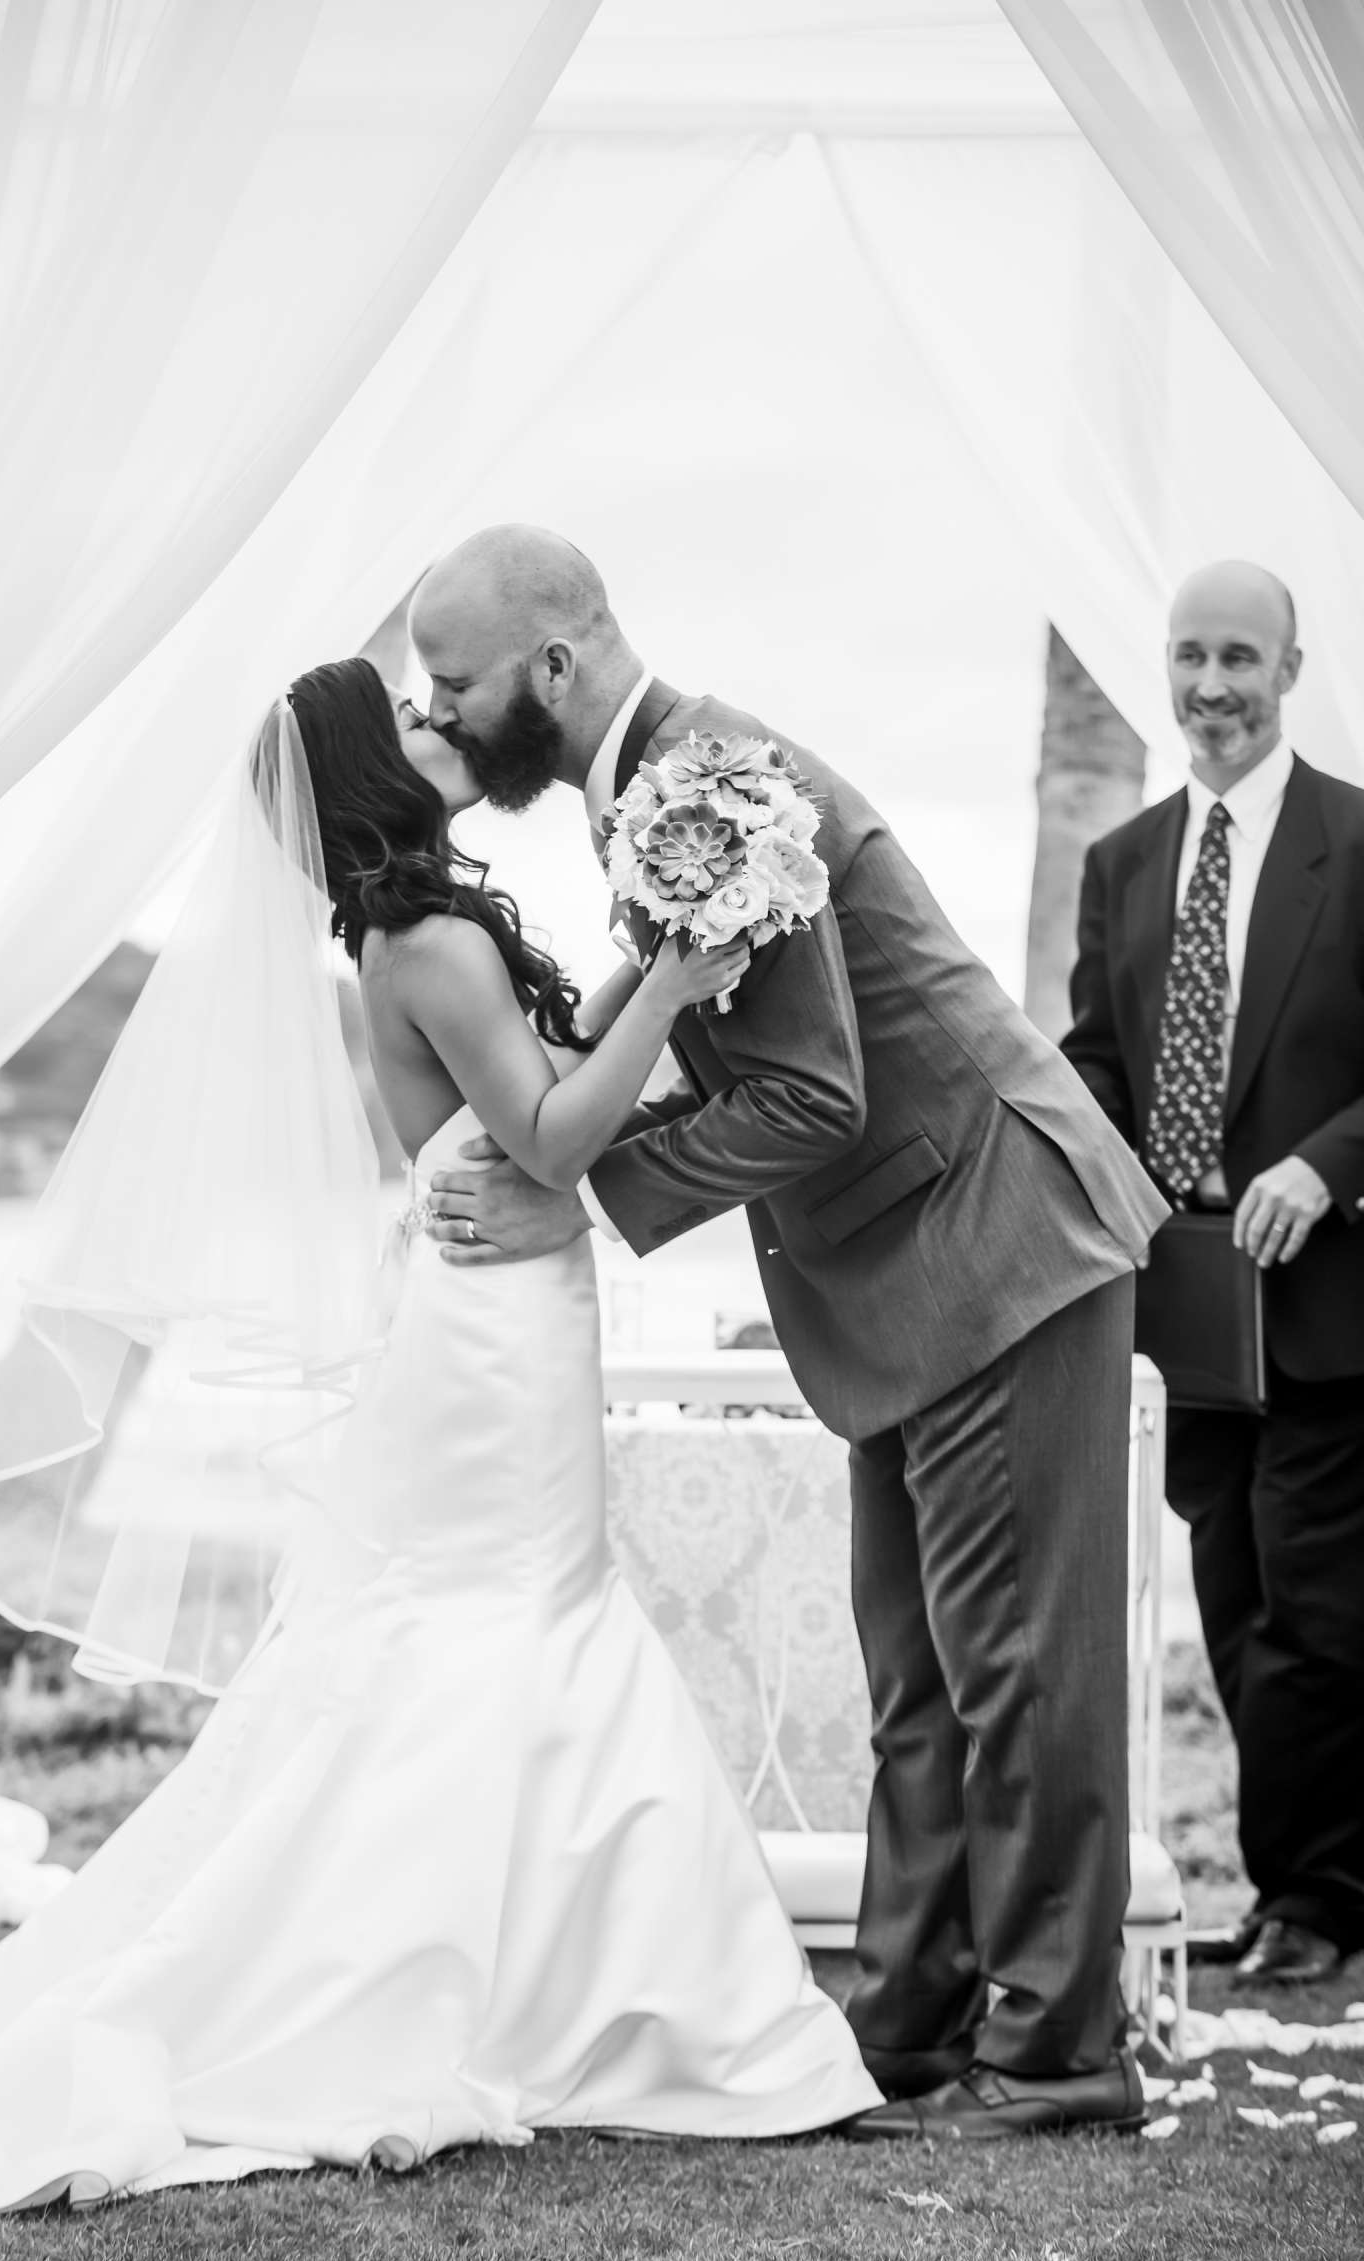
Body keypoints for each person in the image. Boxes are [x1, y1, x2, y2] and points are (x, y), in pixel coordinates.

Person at [0, 658, 883, 2225]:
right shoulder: (422, 940)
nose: (446, 725)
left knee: (508, 1628)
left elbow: (541, 1095)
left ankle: (563, 1992)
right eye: (417, 719)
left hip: (497, 1308)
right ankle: (549, 1998)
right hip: (494, 1330)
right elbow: (557, 1139)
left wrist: (667, 947)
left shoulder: (407, 932)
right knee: (504, 1628)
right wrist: (688, 999)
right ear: (372, 767)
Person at [411, 525, 1170, 2141]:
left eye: (457, 681)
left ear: (555, 666)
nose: (444, 712)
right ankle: (904, 2025)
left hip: (999, 1239)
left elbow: (814, 1092)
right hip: (915, 1266)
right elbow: (716, 1034)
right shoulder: (661, 789)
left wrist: (591, 1198)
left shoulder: (710, 779)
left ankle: (1057, 2059)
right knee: (917, 1674)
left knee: (1019, 1676)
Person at [1063, 560, 1364, 1986]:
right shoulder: (1120, 866)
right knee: (1237, 1601)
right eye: (1190, 657)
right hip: (1182, 1311)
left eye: (1240, 657)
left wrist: (1329, 1161)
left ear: (1290, 670)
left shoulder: (1358, 843)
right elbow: (1096, 1071)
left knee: (1316, 1605)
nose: (1211, 688)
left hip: (1326, 1297)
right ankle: (1304, 1885)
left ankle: (1316, 1899)